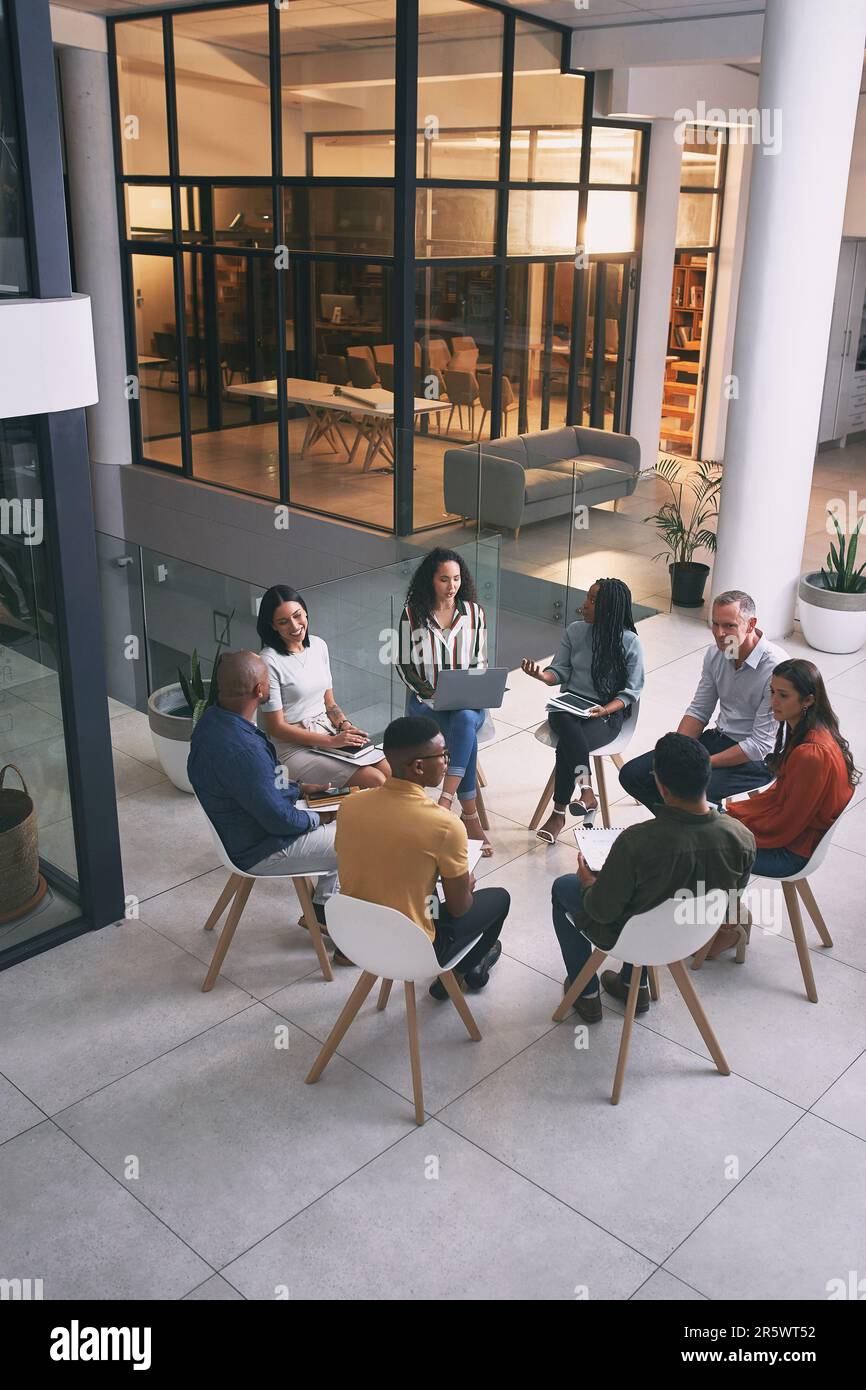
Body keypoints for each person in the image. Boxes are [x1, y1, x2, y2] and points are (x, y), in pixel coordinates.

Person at [551, 733, 756, 1023]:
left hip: (636, 937)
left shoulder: (637, 842)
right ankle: (634, 983)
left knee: (564, 888)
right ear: (707, 778)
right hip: (693, 935)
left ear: (661, 786)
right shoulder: (742, 836)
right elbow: (731, 907)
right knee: (654, 892)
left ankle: (585, 993)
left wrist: (587, 881)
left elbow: (601, 910)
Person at [335, 716, 509, 999]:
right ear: (418, 766)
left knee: (426, 900)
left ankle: (473, 964)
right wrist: (465, 883)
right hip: (413, 947)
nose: (447, 761)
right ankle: (462, 969)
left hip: (355, 935)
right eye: (444, 755)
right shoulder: (444, 824)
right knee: (499, 898)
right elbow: (459, 908)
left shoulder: (350, 805)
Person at [706, 659, 859, 959]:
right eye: (772, 692)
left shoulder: (811, 754)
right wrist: (733, 814)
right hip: (801, 837)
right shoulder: (809, 731)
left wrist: (730, 822)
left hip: (793, 851)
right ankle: (729, 918)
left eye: (783, 695)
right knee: (717, 822)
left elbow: (783, 826)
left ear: (808, 700)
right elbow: (782, 799)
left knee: (708, 844)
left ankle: (728, 925)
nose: (772, 701)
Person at [187, 650, 340, 932]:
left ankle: (324, 909)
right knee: (359, 839)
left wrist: (299, 789)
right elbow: (280, 820)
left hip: (244, 832)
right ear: (259, 690)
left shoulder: (211, 723)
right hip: (261, 848)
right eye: (269, 681)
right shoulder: (243, 750)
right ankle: (328, 915)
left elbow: (257, 786)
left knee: (341, 811)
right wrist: (322, 818)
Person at [619, 589, 785, 812]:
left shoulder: (775, 668)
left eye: (729, 626)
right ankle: (679, 828)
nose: (719, 633)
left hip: (756, 760)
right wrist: (677, 752)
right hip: (717, 739)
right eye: (715, 624)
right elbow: (698, 711)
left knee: (689, 791)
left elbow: (760, 745)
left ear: (751, 623)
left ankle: (690, 829)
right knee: (634, 775)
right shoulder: (717, 654)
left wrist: (704, 762)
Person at [522, 578, 645, 843]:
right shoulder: (575, 631)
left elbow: (632, 691)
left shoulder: (630, 642)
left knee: (568, 744)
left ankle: (559, 814)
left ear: (609, 607)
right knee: (567, 726)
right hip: (568, 706)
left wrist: (605, 709)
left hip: (606, 713)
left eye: (591, 600)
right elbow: (560, 670)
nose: (584, 605)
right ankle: (586, 792)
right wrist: (545, 676)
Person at [395, 548, 493, 856]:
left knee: (465, 716)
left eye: (456, 579)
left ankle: (445, 801)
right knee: (464, 729)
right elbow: (403, 664)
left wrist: (471, 686)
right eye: (444, 579)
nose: (452, 586)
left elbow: (480, 660)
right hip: (427, 705)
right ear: (430, 580)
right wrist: (430, 693)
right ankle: (470, 815)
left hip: (468, 701)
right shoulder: (412, 614)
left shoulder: (475, 613)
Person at [257, 584, 388, 791]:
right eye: (283, 622)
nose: (294, 626)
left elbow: (329, 702)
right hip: (293, 749)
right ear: (273, 626)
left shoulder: (318, 646)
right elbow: (276, 728)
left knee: (389, 770)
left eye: (297, 615)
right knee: (374, 778)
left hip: (327, 732)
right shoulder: (268, 661)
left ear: (305, 612)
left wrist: (344, 726)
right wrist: (332, 741)